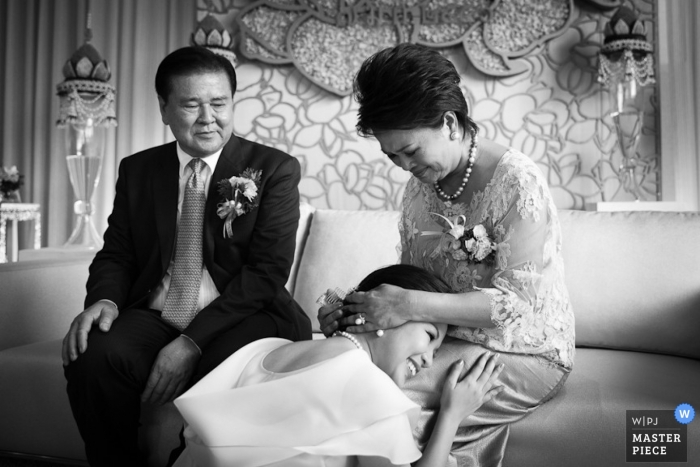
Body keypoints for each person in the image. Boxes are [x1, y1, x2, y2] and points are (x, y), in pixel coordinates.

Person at [319, 43, 575, 467]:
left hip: (524, 349)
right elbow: (412, 283)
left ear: (451, 123)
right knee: (343, 377)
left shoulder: (517, 182)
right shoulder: (417, 190)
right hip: (445, 338)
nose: (403, 165)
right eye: (391, 155)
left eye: (411, 151)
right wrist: (355, 314)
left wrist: (407, 304)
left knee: (383, 398)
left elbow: (517, 307)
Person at [61, 46, 312, 467]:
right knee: (93, 354)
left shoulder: (273, 170)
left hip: (244, 313)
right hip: (158, 313)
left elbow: (266, 274)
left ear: (233, 103)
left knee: (224, 366)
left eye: (219, 103)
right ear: (164, 108)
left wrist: (191, 342)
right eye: (191, 104)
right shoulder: (138, 169)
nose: (207, 118)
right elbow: (118, 252)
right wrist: (104, 300)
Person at [171, 264, 504, 467]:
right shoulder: (370, 390)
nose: (430, 359)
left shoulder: (268, 350)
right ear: (381, 313)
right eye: (429, 335)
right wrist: (451, 415)